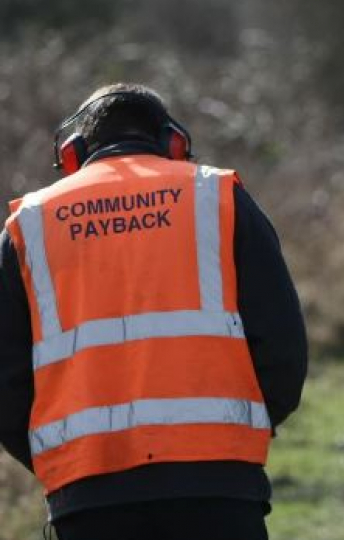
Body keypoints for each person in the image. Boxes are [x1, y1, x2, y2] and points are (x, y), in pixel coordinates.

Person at [0, 83, 308, 538]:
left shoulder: (27, 225)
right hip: (218, 484)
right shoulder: (217, 196)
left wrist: (61, 462)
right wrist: (239, 435)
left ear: (73, 152)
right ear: (173, 143)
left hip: (88, 494)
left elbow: (6, 380)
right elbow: (282, 343)